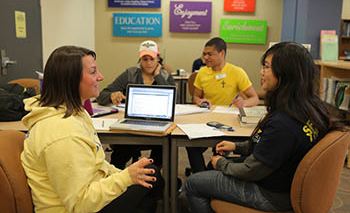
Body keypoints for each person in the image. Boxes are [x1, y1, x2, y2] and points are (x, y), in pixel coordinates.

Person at [184, 42, 331, 212]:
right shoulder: (307, 109)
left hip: (269, 194)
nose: (261, 72)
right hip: (282, 183)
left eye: (266, 67)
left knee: (193, 183)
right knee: (210, 169)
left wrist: (222, 163)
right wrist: (237, 146)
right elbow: (269, 146)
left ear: (284, 74)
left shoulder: (283, 123)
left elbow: (251, 170)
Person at [21, 46, 164, 213]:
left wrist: (125, 175)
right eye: (93, 72)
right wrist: (126, 178)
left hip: (90, 193)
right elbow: (80, 204)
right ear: (71, 79)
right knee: (152, 179)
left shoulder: (76, 113)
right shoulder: (63, 134)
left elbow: (96, 164)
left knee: (149, 178)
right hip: (79, 207)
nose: (101, 77)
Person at [96, 40, 175, 169]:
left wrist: (157, 76)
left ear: (158, 59)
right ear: (140, 59)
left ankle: (154, 177)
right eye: (144, 59)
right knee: (121, 152)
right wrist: (112, 95)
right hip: (133, 127)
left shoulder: (165, 76)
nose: (148, 63)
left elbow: (173, 101)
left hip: (157, 126)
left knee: (164, 146)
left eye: (152, 59)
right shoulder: (130, 74)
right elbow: (102, 95)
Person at [187, 37, 259, 174]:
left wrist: (244, 103)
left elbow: (254, 98)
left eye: (210, 54)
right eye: (204, 54)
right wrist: (199, 101)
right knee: (191, 146)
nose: (206, 57)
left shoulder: (237, 72)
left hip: (228, 124)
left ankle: (206, 175)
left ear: (222, 54)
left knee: (220, 151)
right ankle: (200, 176)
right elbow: (196, 97)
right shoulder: (202, 72)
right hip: (206, 121)